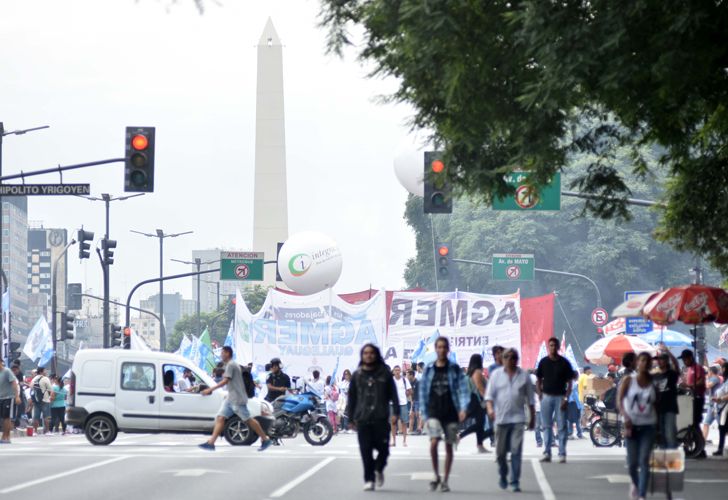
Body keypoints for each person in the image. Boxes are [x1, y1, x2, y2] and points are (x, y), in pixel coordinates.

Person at [198, 346, 272, 452]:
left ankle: (265, 439)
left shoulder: (231, 365)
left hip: (237, 398)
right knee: (220, 417)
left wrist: (210, 389)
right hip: (231, 398)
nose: (221, 355)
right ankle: (211, 443)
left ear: (228, 353)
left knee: (248, 419)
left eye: (222, 353)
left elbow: (225, 381)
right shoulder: (230, 365)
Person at [419, 337, 469, 492]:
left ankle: (445, 480)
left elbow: (464, 390)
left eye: (444, 347)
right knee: (433, 443)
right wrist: (424, 413)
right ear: (435, 349)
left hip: (451, 411)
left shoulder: (454, 368)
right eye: (439, 347)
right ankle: (436, 475)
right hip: (434, 411)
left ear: (448, 349)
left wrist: (463, 408)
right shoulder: (429, 369)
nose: (441, 350)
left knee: (449, 446)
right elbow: (422, 392)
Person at [346, 344, 399, 491]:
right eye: (365, 353)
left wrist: (396, 413)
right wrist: (350, 418)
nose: (368, 355)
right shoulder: (357, 375)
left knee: (384, 450)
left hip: (380, 418)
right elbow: (352, 398)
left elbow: (394, 395)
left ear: (376, 355)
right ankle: (369, 479)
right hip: (363, 419)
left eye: (371, 353)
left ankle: (378, 468)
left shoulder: (385, 374)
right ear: (362, 356)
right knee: (365, 450)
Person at [485, 348, 535, 493]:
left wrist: (532, 418)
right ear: (503, 359)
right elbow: (489, 397)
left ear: (517, 360)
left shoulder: (524, 376)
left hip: (518, 419)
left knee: (516, 450)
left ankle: (514, 481)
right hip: (500, 419)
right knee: (500, 453)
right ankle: (503, 472)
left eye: (513, 357)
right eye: (507, 357)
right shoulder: (495, 375)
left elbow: (530, 400)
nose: (510, 360)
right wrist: (490, 409)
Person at [618, 352, 657, 500]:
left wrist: (658, 425)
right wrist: (625, 417)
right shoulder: (629, 380)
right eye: (642, 360)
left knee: (644, 461)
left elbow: (656, 403)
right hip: (631, 425)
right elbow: (620, 400)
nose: (645, 363)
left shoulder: (653, 382)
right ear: (637, 362)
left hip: (649, 426)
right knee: (632, 464)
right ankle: (636, 483)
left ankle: (642, 494)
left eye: (648, 361)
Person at [536, 337, 574, 463]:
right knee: (546, 426)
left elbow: (570, 383)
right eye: (550, 345)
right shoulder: (543, 362)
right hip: (546, 397)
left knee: (562, 425)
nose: (552, 347)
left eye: (554, 345)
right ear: (548, 347)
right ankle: (547, 452)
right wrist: (540, 394)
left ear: (558, 347)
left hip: (560, 397)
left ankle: (562, 453)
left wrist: (566, 398)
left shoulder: (564, 363)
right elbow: (538, 380)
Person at [678, 349, 706, 457]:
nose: (684, 362)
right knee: (691, 423)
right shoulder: (689, 369)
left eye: (685, 359)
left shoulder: (697, 368)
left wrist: (689, 386)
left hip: (698, 398)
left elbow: (701, 381)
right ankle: (698, 448)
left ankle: (700, 449)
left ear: (689, 358)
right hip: (690, 399)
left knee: (694, 423)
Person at [458, 353, 489, 453]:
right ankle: (459, 437)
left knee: (479, 423)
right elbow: (480, 388)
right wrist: (488, 400)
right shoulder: (477, 372)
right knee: (480, 424)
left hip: (473, 399)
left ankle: (479, 445)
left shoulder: (470, 372)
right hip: (478, 400)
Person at [652, 347, 680, 448]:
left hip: (670, 407)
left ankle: (672, 457)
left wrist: (668, 351)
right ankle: (664, 457)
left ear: (666, 361)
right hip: (658, 408)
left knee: (670, 433)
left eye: (661, 359)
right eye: (658, 360)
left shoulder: (672, 374)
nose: (659, 362)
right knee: (661, 434)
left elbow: (676, 365)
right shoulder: (654, 375)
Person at [0, 358, 21, 444]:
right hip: (0, 398)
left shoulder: (7, 371)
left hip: (9, 398)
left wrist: (17, 397)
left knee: (7, 417)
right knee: (2, 417)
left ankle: (6, 436)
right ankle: (4, 436)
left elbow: (14, 384)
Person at [390, 365, 411, 447]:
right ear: (393, 372)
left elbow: (410, 390)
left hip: (403, 403)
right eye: (396, 370)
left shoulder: (404, 380)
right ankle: (394, 441)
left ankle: (404, 441)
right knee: (393, 423)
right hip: (393, 404)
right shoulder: (391, 381)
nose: (397, 372)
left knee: (404, 423)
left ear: (400, 371)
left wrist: (407, 393)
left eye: (399, 370)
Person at [710, 362, 728, 456]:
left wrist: (720, 399)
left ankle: (720, 449)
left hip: (726, 408)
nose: (721, 370)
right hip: (722, 407)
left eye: (723, 368)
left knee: (722, 428)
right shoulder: (725, 381)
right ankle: (720, 449)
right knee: (722, 428)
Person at [31, 366, 53, 435]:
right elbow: (50, 389)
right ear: (41, 372)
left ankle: (35, 431)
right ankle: (47, 431)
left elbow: (31, 388)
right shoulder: (45, 378)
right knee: (46, 416)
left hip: (36, 400)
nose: (45, 372)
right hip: (45, 400)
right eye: (44, 371)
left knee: (36, 416)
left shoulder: (34, 379)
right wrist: (49, 396)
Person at [704, 365, 722, 442]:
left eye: (708, 371)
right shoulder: (712, 378)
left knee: (722, 426)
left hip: (716, 406)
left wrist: (705, 379)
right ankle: (702, 441)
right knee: (706, 423)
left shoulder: (715, 378)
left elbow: (708, 386)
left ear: (711, 371)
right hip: (712, 405)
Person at [567, 371, 584, 439]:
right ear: (576, 376)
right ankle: (579, 433)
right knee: (577, 418)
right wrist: (580, 405)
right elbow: (575, 395)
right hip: (574, 403)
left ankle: (570, 433)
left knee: (570, 418)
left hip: (570, 403)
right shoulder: (574, 384)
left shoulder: (569, 383)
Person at [529, 370, 543, 447]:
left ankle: (551, 441)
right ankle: (539, 441)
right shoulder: (532, 390)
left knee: (547, 426)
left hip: (544, 408)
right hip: (537, 409)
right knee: (537, 426)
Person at [406, 369, 422, 435]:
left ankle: (419, 429)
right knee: (411, 416)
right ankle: (410, 430)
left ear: (412, 375)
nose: (406, 376)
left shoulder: (417, 382)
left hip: (418, 400)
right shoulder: (409, 382)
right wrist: (412, 401)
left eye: (408, 375)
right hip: (413, 400)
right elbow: (410, 393)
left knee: (417, 415)